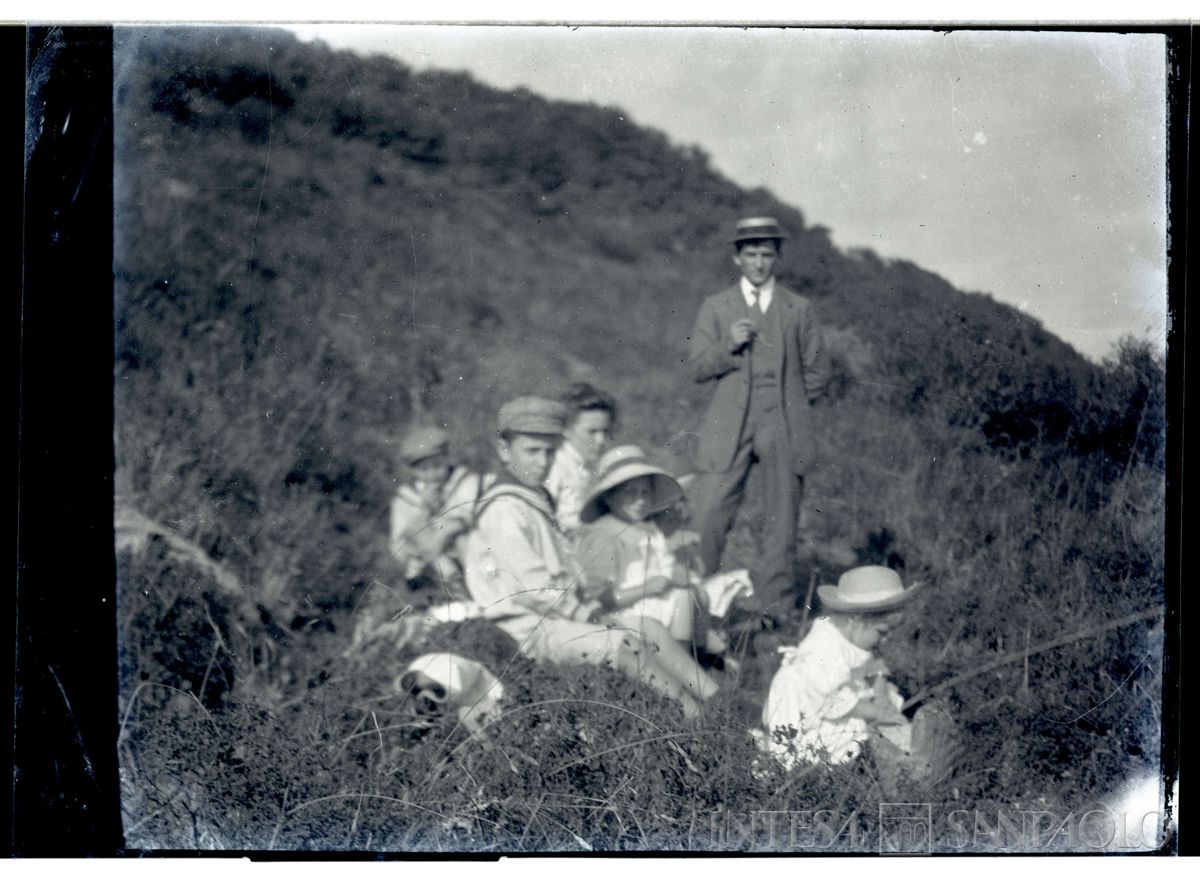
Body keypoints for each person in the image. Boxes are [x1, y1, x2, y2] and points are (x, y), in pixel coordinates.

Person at [462, 396, 718, 717]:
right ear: (504, 450)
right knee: (624, 644)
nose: (543, 462)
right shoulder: (504, 509)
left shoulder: (532, 499)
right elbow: (536, 588)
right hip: (527, 629)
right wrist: (590, 615)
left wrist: (589, 610)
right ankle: (691, 713)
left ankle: (716, 696)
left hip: (559, 616)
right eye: (531, 451)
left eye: (550, 452)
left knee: (649, 626)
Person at [687, 216, 832, 627]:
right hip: (727, 424)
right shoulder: (716, 306)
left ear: (777, 258)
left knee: (781, 519)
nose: (759, 263)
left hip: (783, 424)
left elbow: (818, 373)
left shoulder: (798, 309)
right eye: (750, 254)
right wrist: (728, 345)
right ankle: (694, 604)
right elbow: (697, 367)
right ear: (737, 258)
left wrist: (793, 408)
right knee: (708, 510)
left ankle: (774, 613)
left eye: (767, 254)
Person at [759, 565, 958, 787]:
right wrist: (874, 711)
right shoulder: (820, 651)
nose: (884, 640)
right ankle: (897, 771)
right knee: (847, 743)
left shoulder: (853, 638)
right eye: (882, 633)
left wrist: (881, 695)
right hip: (813, 717)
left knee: (881, 722)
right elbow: (831, 700)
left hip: (843, 704)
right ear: (856, 620)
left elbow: (874, 666)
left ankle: (913, 755)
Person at [575, 445, 722, 654]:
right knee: (682, 599)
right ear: (609, 497)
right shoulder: (602, 535)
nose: (641, 500)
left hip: (652, 605)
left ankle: (695, 657)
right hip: (621, 613)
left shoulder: (648, 530)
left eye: (646, 492)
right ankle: (683, 662)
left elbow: (661, 567)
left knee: (693, 593)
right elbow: (596, 596)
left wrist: (674, 574)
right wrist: (645, 589)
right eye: (631, 493)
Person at [388, 424, 490, 600]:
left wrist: (442, 534)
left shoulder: (465, 481)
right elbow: (401, 539)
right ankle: (454, 590)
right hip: (428, 560)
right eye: (423, 470)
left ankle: (479, 591)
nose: (432, 474)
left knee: (459, 537)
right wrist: (425, 509)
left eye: (437, 465)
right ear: (412, 470)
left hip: (465, 548)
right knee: (422, 536)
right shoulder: (406, 497)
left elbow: (469, 514)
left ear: (447, 459)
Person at [544, 382, 617, 536]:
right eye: (592, 431)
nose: (601, 440)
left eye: (606, 431)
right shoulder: (554, 466)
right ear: (566, 430)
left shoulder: (592, 467)